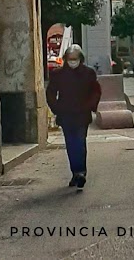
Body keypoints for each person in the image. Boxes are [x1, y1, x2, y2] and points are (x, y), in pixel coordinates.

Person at [46, 44, 101, 191]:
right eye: (70, 59)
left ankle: (81, 172)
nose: (72, 61)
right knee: (71, 145)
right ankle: (75, 173)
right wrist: (56, 108)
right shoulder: (58, 74)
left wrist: (90, 105)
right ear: (65, 59)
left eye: (75, 59)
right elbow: (51, 92)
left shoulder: (89, 73)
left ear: (80, 59)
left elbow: (95, 91)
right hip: (66, 114)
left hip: (82, 114)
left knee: (80, 143)